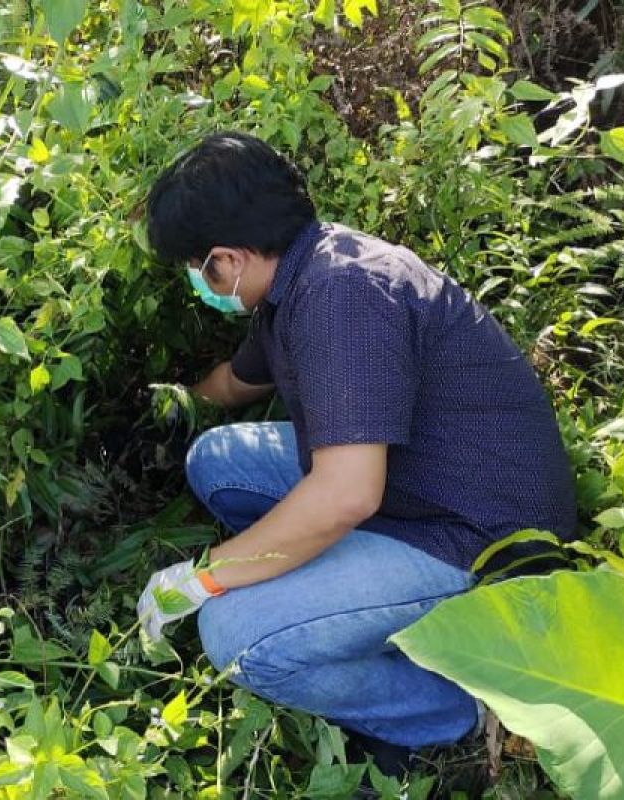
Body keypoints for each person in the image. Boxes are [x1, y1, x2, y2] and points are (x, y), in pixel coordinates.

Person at [133, 131, 577, 771]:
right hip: (411, 479)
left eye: (197, 268)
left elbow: (347, 492)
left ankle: (454, 711)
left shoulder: (346, 296)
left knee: (234, 636)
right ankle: (331, 597)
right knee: (217, 460)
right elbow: (236, 383)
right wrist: (166, 405)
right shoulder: (297, 273)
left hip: (476, 536)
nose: (197, 283)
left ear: (227, 260)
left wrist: (204, 577)